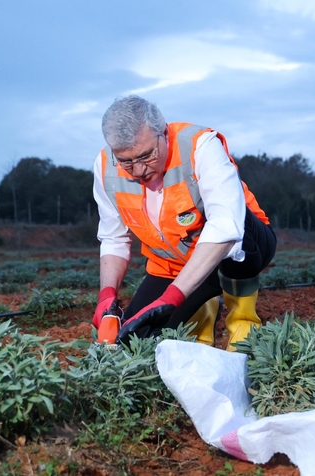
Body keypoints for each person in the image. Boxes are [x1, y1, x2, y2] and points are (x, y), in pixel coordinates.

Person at [91, 95, 276, 350]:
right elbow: (114, 238)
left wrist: (174, 296)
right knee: (135, 340)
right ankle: (202, 303)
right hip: (174, 262)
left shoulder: (201, 146)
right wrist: (107, 295)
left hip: (241, 246)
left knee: (237, 234)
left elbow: (226, 224)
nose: (139, 170)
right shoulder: (105, 169)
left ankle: (242, 324)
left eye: (146, 156)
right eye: (126, 161)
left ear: (163, 133)